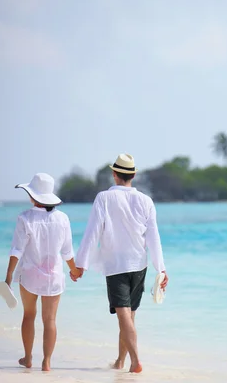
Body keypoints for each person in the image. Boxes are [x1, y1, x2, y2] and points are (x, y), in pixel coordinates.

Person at [71, 153, 168, 374]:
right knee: (129, 316)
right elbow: (154, 238)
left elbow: (92, 232)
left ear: (115, 175)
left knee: (124, 315)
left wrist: (80, 265)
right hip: (139, 265)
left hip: (116, 266)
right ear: (132, 175)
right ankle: (120, 362)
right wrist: (161, 268)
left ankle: (134, 361)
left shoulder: (104, 198)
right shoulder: (146, 200)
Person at [3, 173, 79, 372]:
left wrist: (9, 276)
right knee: (50, 320)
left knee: (29, 315)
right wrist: (74, 270)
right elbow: (67, 252)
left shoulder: (25, 218)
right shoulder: (63, 218)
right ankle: (46, 362)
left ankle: (28, 358)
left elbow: (17, 250)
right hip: (54, 276)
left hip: (29, 275)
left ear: (32, 196)